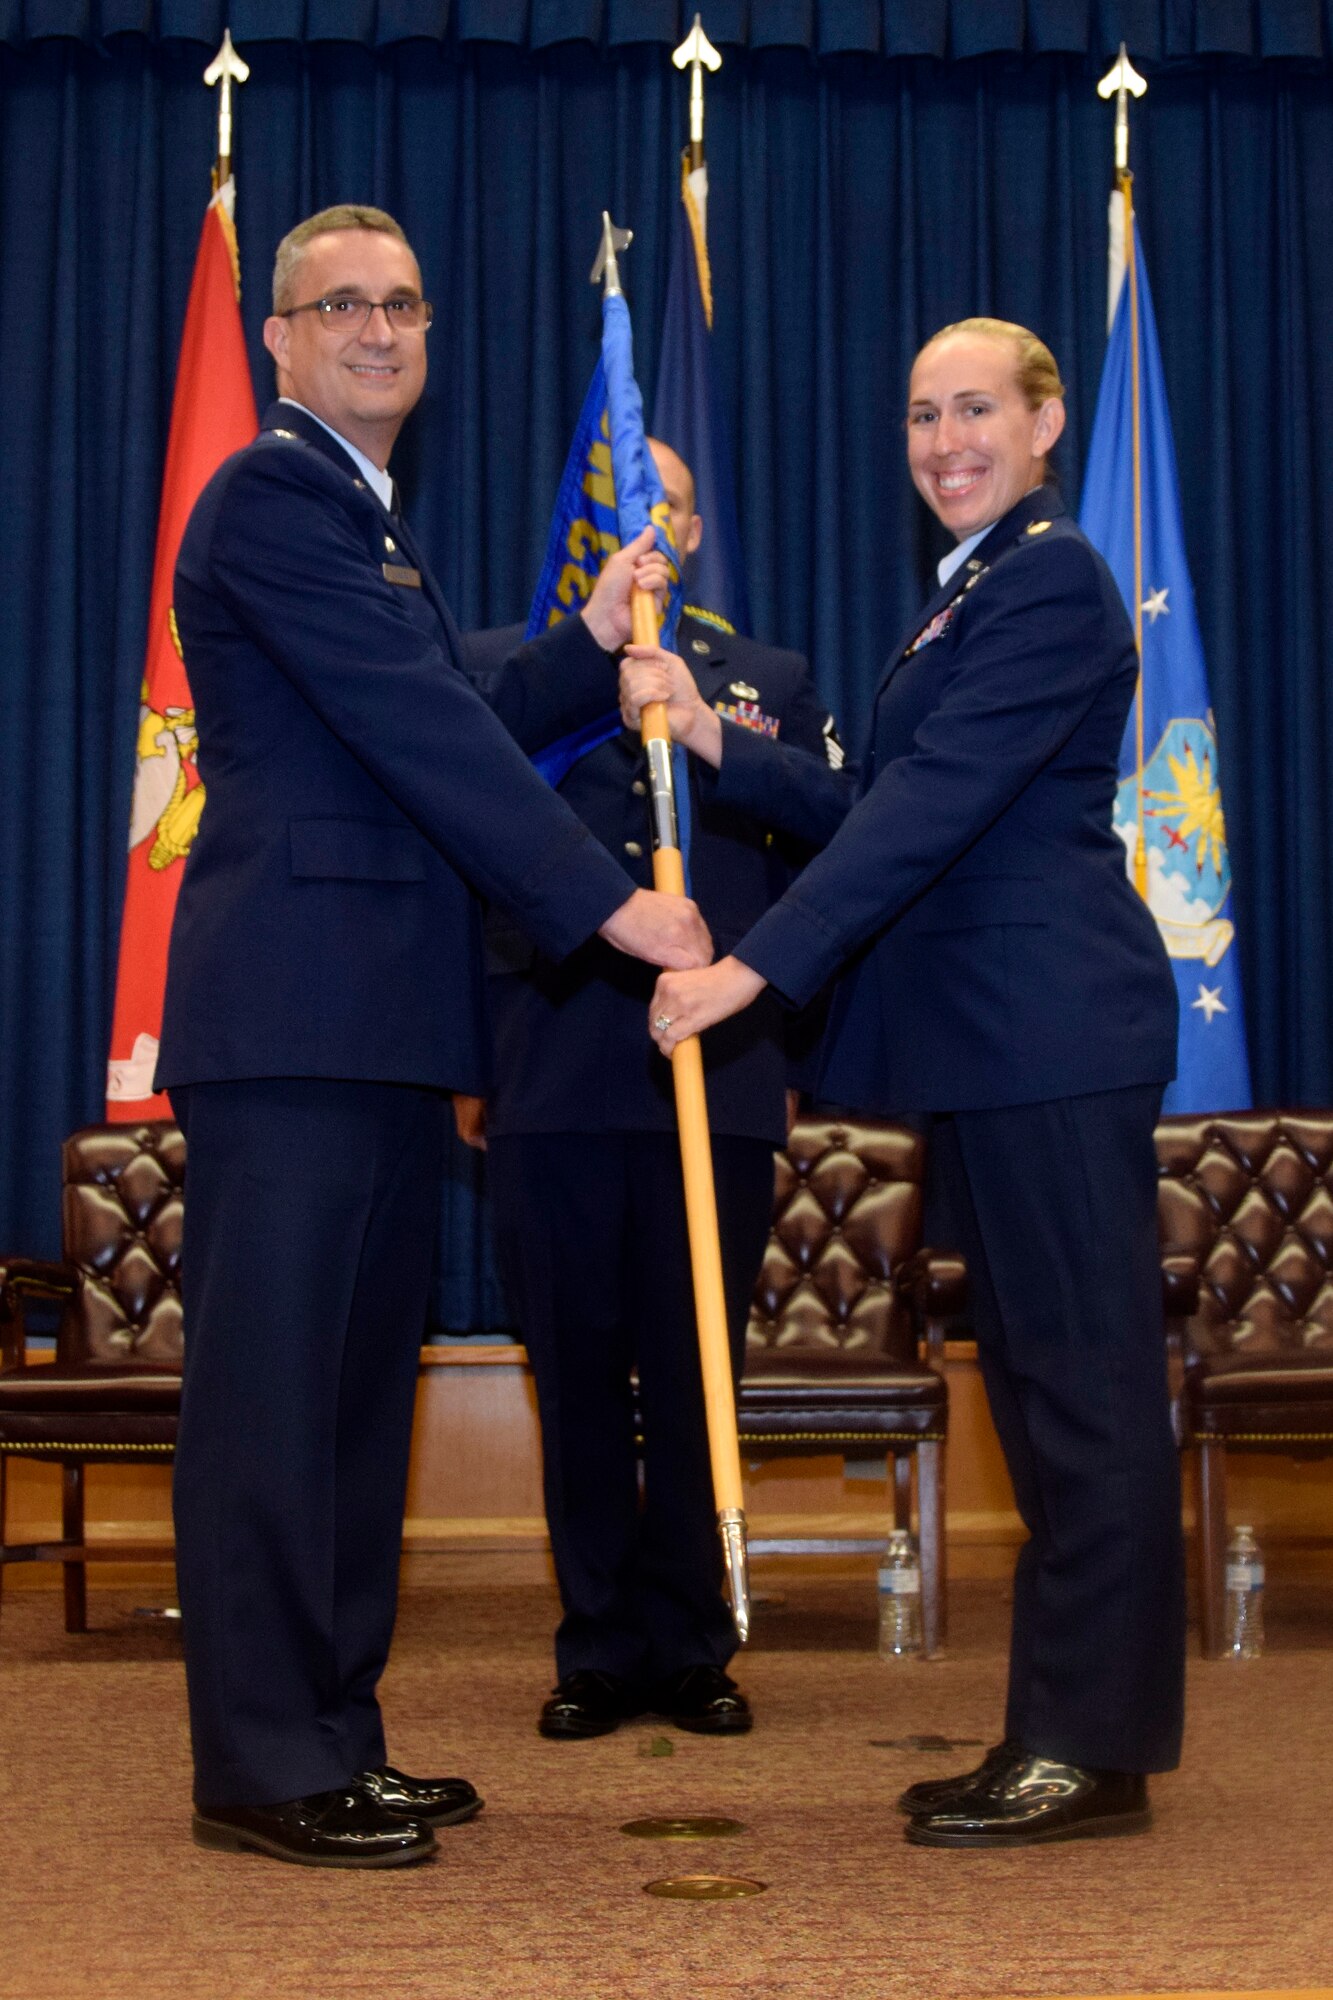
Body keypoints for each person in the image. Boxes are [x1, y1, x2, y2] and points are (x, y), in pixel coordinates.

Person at [156, 205, 712, 1870]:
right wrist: (607, 907)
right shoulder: (272, 495)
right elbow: (410, 727)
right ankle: (261, 1758)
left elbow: (444, 703)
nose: (380, 330)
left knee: (349, 1409)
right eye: (341, 306)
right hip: (294, 1016)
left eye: (403, 300)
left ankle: (335, 1731)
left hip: (381, 1020)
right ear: (280, 335)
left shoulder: (363, 515)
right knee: (276, 1397)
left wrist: (588, 642)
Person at [625, 319, 1186, 1848]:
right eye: (921, 413)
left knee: (1080, 1398)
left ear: (1045, 422)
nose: (944, 441)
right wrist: (713, 737)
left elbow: (928, 812)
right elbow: (875, 796)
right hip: (998, 1046)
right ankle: (1067, 1729)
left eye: (975, 411)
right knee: (1039, 1388)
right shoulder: (970, 596)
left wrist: (751, 971)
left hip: (1050, 1035)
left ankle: (1090, 1743)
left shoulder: (1051, 580)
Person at [456, 439, 841, 1740]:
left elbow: (837, 844)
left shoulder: (763, 678)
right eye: (619, 504)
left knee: (692, 1374)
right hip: (551, 1073)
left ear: (688, 522)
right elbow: (460, 862)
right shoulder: (506, 674)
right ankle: (598, 1645)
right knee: (571, 1373)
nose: (645, 527)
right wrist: (472, 1061)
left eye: (663, 503)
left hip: (715, 1075)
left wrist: (707, 720)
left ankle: (690, 1646)